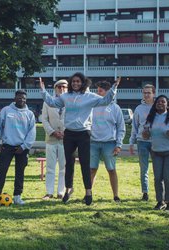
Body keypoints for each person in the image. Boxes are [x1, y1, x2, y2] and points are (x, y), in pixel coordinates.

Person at [39, 72, 120, 205]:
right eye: (73, 81)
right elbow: (52, 103)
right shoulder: (65, 96)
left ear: (83, 83)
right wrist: (43, 90)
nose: (75, 83)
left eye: (78, 81)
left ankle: (88, 191)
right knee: (68, 164)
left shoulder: (90, 96)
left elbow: (105, 100)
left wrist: (114, 88)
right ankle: (68, 190)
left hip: (84, 134)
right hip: (69, 134)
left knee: (85, 163)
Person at [0, 90, 36, 206]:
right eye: (19, 97)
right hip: (7, 146)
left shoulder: (29, 114)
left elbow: (32, 132)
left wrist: (25, 146)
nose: (22, 100)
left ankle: (17, 196)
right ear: (15, 98)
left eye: (24, 98)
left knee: (20, 172)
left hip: (22, 148)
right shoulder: (6, 110)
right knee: (1, 171)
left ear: (26, 100)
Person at [90, 81, 125, 202]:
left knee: (111, 169)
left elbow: (121, 127)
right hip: (93, 143)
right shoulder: (92, 106)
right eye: (97, 90)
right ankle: (88, 194)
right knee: (92, 169)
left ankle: (116, 195)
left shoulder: (115, 108)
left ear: (107, 92)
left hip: (109, 143)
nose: (97, 93)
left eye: (100, 91)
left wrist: (119, 145)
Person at [142, 95, 169, 212]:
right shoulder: (151, 118)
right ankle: (160, 201)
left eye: (163, 102)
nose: (160, 103)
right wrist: (145, 133)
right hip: (156, 152)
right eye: (158, 102)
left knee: (167, 178)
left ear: (167, 105)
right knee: (157, 178)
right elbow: (146, 136)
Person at [42, 79, 68, 200]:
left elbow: (73, 118)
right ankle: (49, 192)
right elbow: (44, 119)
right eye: (59, 87)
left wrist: (65, 132)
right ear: (55, 88)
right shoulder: (48, 102)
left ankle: (61, 192)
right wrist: (52, 132)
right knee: (50, 167)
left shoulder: (71, 102)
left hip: (65, 139)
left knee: (64, 167)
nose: (61, 89)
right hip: (51, 139)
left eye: (64, 87)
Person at [129, 84, 155, 201]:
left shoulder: (159, 106)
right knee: (144, 168)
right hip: (142, 141)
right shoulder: (139, 108)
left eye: (149, 93)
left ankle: (161, 193)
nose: (146, 95)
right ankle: (145, 193)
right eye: (144, 93)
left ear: (153, 93)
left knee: (159, 169)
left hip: (156, 142)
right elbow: (134, 126)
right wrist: (131, 142)